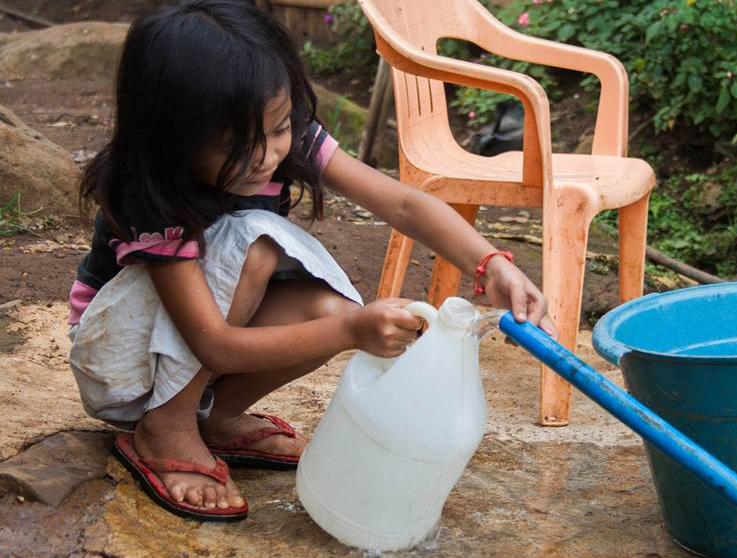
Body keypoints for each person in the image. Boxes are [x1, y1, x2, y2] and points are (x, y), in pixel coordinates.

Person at [67, 0, 555, 522]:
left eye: (278, 130)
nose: (267, 156)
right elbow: (214, 343)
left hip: (192, 345)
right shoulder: (149, 189)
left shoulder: (283, 134)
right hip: (119, 359)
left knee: (329, 310)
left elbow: (403, 202)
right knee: (258, 246)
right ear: (170, 134)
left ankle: (218, 416)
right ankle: (167, 427)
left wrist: (491, 264)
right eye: (236, 143)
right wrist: (351, 334)